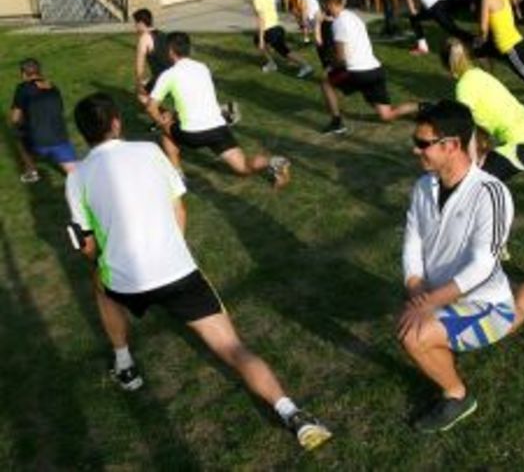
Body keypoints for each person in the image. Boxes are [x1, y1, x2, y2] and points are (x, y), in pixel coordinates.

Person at [65, 93, 331, 451]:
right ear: (116, 122)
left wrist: (105, 259)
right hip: (179, 274)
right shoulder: (149, 151)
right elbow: (180, 210)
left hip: (125, 280)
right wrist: (170, 250)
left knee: (100, 283)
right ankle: (292, 413)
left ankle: (124, 363)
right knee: (233, 348)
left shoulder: (76, 178)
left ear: (83, 134)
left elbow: (87, 248)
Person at [397, 99, 524, 433]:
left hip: (484, 300)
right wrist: (415, 288)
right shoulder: (423, 186)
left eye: (422, 144)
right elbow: (412, 241)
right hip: (445, 295)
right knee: (518, 310)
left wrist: (430, 302)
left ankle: (457, 396)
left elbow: (483, 265)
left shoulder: (491, 193)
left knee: (415, 334)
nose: (415, 150)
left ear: (451, 145)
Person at [141, 32, 291, 186]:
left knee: (166, 132)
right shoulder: (203, 68)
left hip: (192, 134)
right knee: (243, 167)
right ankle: (274, 161)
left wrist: (162, 121)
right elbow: (197, 98)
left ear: (170, 51)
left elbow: (151, 108)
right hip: (218, 128)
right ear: (188, 49)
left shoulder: (168, 74)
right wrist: (174, 115)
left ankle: (178, 176)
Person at [441, 39, 524, 207]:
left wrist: (475, 160)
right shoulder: (481, 73)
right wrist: (484, 144)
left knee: (474, 182)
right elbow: (482, 119)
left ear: (446, 65)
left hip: (522, 144)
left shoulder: (463, 88)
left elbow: (467, 126)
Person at [315, 0, 419, 134]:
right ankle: (423, 108)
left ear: (327, 3)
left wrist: (330, 66)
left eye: (320, 3)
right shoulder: (353, 16)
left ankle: (337, 122)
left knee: (326, 82)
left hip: (357, 73)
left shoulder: (338, 23)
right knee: (387, 115)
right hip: (375, 70)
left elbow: (341, 58)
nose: (320, 7)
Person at [133, 8, 239, 127]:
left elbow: (139, 66)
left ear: (141, 23)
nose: (135, 27)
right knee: (192, 103)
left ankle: (163, 119)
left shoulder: (144, 38)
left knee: (141, 96)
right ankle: (224, 109)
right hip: (179, 72)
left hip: (165, 77)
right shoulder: (163, 34)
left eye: (135, 24)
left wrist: (139, 84)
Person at [9, 58, 77, 183]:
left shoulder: (22, 88)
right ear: (39, 72)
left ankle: (32, 172)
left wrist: (22, 124)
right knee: (75, 175)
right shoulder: (53, 87)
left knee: (18, 134)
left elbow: (15, 118)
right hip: (61, 138)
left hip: (38, 142)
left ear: (23, 74)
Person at [251, 0, 314, 77]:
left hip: (269, 30)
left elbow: (261, 19)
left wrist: (262, 38)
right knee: (259, 42)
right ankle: (271, 63)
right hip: (277, 27)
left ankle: (306, 66)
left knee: (284, 51)